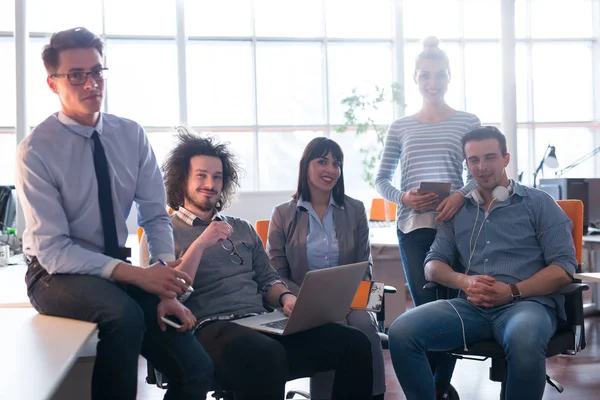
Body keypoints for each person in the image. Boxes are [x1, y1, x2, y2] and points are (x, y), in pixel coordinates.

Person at [15, 27, 213, 400]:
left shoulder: (130, 135)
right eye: (76, 75)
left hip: (112, 271)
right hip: (52, 274)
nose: (91, 83)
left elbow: (155, 215)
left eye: (97, 71)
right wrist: (140, 277)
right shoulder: (36, 150)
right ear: (52, 84)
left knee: (197, 370)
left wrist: (165, 282)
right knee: (124, 316)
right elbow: (54, 249)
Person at [156, 129, 374, 400]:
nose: (210, 184)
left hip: (262, 322)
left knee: (354, 343)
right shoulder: (165, 231)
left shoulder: (242, 228)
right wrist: (200, 243)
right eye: (201, 175)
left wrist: (286, 297)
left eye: (217, 177)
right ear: (182, 179)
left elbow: (268, 278)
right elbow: (169, 292)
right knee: (267, 355)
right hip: (211, 326)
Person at [387, 126, 577, 400]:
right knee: (402, 332)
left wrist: (512, 291)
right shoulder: (458, 210)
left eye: (490, 157)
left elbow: (563, 269)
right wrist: (465, 281)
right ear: (466, 164)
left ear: (506, 158)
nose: (482, 166)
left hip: (527, 305)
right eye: (474, 160)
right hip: (471, 308)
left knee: (523, 340)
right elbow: (432, 265)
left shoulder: (539, 203)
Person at [374, 35, 481, 399]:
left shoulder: (468, 121)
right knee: (427, 311)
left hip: (457, 227)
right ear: (416, 80)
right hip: (413, 227)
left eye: (439, 75)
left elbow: (476, 176)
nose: (432, 83)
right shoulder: (400, 127)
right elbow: (381, 178)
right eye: (425, 76)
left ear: (449, 77)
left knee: (450, 311)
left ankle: (434, 389)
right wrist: (403, 196)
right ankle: (437, 389)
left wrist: (459, 196)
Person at [267, 137, 385, 400]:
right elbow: (275, 272)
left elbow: (365, 264)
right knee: (334, 328)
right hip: (303, 300)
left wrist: (353, 300)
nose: (330, 169)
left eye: (336, 163)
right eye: (322, 161)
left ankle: (373, 396)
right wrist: (311, 301)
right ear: (306, 166)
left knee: (364, 327)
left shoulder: (355, 209)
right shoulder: (283, 213)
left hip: (355, 295)